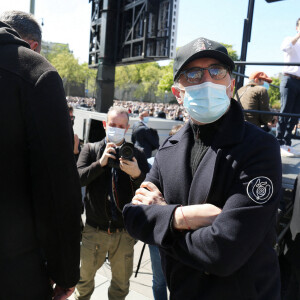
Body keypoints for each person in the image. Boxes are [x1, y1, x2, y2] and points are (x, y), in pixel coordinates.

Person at [123, 37, 282, 300]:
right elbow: (133, 217)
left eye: (217, 71)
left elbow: (223, 253)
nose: (207, 80)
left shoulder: (259, 147)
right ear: (178, 93)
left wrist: (162, 218)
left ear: (231, 85)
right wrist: (183, 217)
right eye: (194, 73)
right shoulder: (168, 150)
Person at [0, 10, 82, 300]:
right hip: (15, 269)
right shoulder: (33, 70)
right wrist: (66, 272)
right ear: (33, 45)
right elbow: (57, 186)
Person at [75, 106, 149, 300]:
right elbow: (77, 179)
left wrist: (137, 174)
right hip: (94, 230)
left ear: (127, 128)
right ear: (105, 124)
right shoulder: (91, 149)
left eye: (121, 126)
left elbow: (152, 186)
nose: (116, 129)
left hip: (123, 233)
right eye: (113, 125)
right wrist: (100, 164)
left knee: (120, 286)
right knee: (83, 283)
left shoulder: (136, 154)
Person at [276, 18, 300, 155]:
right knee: (285, 111)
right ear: (297, 27)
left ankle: (287, 141)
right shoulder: (289, 39)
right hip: (289, 79)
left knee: (295, 113)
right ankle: (278, 141)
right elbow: (284, 48)